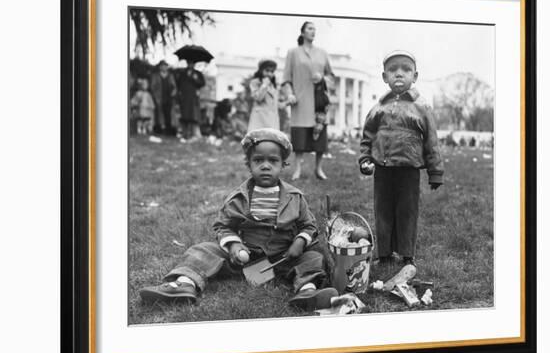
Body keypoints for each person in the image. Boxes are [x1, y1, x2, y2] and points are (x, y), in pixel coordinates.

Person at [140, 128, 337, 311]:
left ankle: (307, 290)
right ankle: (184, 284)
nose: (266, 166)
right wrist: (234, 246)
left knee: (314, 257)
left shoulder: (295, 197)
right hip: (245, 257)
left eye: (273, 161)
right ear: (249, 165)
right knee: (203, 250)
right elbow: (223, 226)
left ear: (283, 165)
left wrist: (300, 241)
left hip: (285, 257)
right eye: (258, 161)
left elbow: (308, 225)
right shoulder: (239, 197)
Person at [358, 50, 444, 266]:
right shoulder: (378, 108)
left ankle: (407, 256)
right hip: (383, 170)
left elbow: (431, 140)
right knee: (383, 211)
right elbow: (367, 136)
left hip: (409, 170)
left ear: (414, 76)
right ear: (384, 77)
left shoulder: (421, 107)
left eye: (405, 70)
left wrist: (435, 172)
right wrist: (365, 158)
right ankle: (384, 254)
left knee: (407, 212)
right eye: (393, 70)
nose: (399, 74)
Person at [282, 21, 334, 180]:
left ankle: (318, 169)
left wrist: (322, 78)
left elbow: (331, 76)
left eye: (314, 29)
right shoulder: (293, 52)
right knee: (300, 135)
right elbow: (286, 78)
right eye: (310, 29)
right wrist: (289, 94)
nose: (313, 32)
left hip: (319, 101)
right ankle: (297, 169)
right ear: (303, 32)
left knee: (320, 135)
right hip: (300, 100)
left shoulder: (322, 53)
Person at [248, 59, 289, 131]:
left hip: (272, 122)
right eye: (267, 70)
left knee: (271, 141)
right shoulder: (255, 82)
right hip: (259, 122)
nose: (269, 74)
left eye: (272, 71)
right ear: (261, 70)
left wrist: (288, 102)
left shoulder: (273, 86)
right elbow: (258, 98)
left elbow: (276, 105)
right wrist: (264, 85)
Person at [177, 59, 205, 140]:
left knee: (193, 116)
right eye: (189, 63)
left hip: (193, 97)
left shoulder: (197, 74)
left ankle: (193, 134)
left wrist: (195, 78)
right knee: (184, 115)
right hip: (184, 97)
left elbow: (202, 83)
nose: (190, 65)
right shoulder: (182, 73)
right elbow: (179, 83)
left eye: (192, 63)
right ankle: (184, 133)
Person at [150, 60, 177, 135]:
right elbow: (152, 87)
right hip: (159, 97)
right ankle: (158, 129)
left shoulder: (170, 76)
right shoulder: (155, 75)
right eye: (162, 66)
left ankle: (168, 129)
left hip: (169, 98)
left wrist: (173, 92)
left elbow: (174, 87)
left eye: (165, 66)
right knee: (159, 114)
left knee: (168, 114)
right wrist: (155, 96)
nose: (164, 67)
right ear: (159, 67)